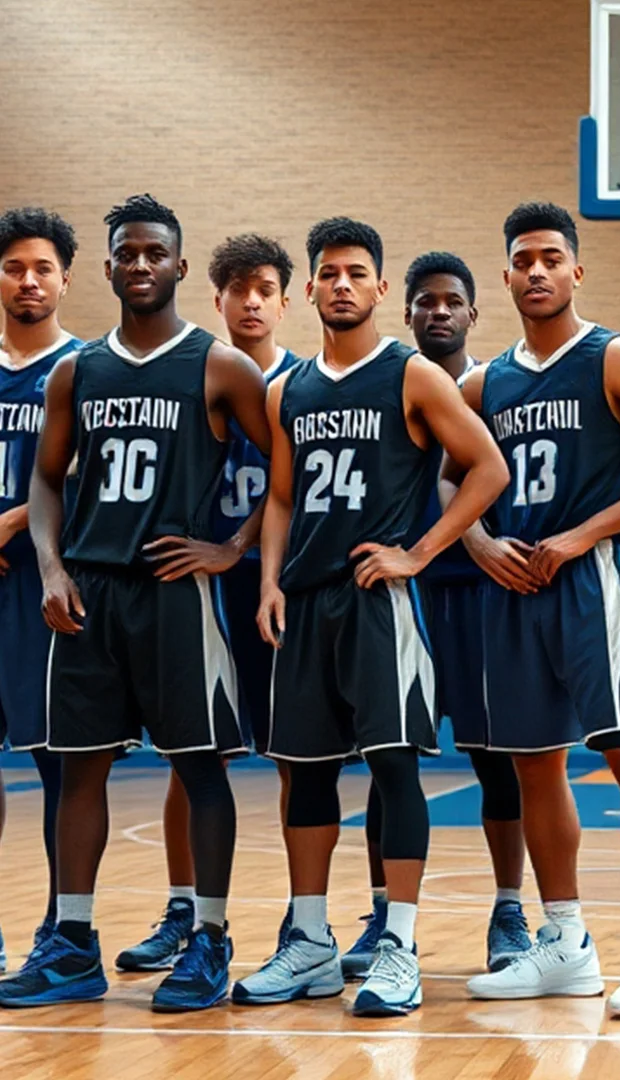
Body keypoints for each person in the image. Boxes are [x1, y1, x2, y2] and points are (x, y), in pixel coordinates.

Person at [2, 194, 271, 1012]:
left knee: (198, 767)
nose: (142, 264)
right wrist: (50, 566)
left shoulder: (220, 365)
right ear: (111, 266)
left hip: (176, 595)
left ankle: (210, 941)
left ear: (181, 266)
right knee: (79, 771)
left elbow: (288, 464)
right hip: (89, 593)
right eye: (128, 252)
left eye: (156, 252)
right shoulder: (75, 371)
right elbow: (47, 479)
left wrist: (233, 547)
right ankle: (72, 943)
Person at [235, 217, 507, 1016]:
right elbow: (281, 494)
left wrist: (419, 554)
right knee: (309, 775)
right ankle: (311, 942)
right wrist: (269, 582)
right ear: (311, 288)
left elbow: (486, 467)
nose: (343, 284)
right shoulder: (288, 389)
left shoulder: (414, 375)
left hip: (378, 602)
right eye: (330, 273)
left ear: (381, 289)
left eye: (358, 273)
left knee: (394, 768)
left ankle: (399, 945)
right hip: (306, 601)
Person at [453, 202, 620, 1016]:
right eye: (523, 259)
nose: (537, 270)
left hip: (594, 576)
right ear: (505, 276)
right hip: (513, 584)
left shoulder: (615, 359)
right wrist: (480, 545)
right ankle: (564, 942)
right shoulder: (480, 383)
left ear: (576, 270)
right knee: (534, 762)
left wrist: (578, 535)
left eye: (551, 258)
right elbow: (445, 480)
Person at [339, 251, 531, 981]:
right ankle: (386, 915)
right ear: (407, 310)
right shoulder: (380, 386)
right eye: (425, 301)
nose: (439, 311)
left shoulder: (493, 390)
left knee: (495, 761)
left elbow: (486, 483)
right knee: (390, 765)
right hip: (395, 598)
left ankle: (510, 908)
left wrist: (472, 541)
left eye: (452, 301)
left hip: (477, 597)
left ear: (474, 315)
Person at [118, 233, 305, 974]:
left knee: (297, 755)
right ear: (216, 297)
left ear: (285, 301)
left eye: (265, 288)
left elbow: (287, 479)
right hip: (197, 586)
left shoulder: (301, 384)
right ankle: (184, 908)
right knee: (189, 755)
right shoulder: (191, 371)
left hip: (279, 584)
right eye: (238, 289)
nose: (251, 301)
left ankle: (304, 916)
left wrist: (238, 545)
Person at [0, 207, 84, 968]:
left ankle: (62, 926)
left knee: (58, 765)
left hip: (43, 588)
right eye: (14, 267)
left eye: (42, 268)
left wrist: (12, 525)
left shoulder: (83, 368)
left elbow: (82, 475)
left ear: (66, 278)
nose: (29, 280)